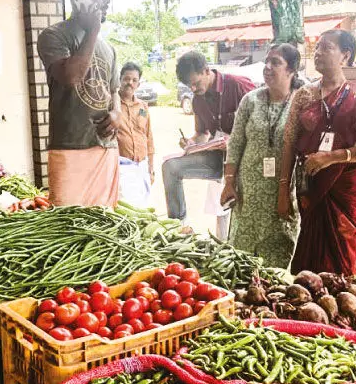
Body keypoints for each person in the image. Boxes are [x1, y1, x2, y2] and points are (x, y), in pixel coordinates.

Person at [278, 30, 356, 307]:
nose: (318, 52)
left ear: (346, 55)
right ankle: (313, 313)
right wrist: (282, 191)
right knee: (312, 267)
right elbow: (288, 143)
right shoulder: (304, 95)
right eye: (317, 47)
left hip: (349, 195)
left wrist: (332, 157)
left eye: (327, 47)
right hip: (313, 190)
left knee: (348, 265)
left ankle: (349, 313)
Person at [37, 0, 121, 207]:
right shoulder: (54, 36)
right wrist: (93, 29)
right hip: (71, 148)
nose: (106, 0)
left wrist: (117, 113)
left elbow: (113, 90)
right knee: (67, 226)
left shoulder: (109, 48)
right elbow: (71, 77)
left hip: (106, 148)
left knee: (105, 223)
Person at [220, 44, 303, 268]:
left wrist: (286, 192)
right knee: (242, 256)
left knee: (277, 253)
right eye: (267, 61)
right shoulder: (251, 100)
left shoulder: (302, 101)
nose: (267, 67)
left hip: (283, 190)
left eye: (275, 62)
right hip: (248, 189)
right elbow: (235, 143)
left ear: (291, 70)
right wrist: (229, 182)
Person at [162, 51, 255, 232]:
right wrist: (191, 142)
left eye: (196, 83)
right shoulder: (198, 100)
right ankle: (179, 227)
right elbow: (201, 133)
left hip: (246, 160)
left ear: (206, 71)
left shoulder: (237, 85)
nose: (194, 90)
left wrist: (237, 140)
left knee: (235, 213)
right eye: (190, 86)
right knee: (170, 167)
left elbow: (263, 119)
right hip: (219, 159)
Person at [116, 62, 155, 207]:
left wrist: (151, 169)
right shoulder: (111, 105)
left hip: (142, 167)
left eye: (134, 80)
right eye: (126, 79)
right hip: (122, 168)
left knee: (143, 208)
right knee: (127, 208)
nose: (130, 83)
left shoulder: (143, 107)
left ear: (138, 84)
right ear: (119, 80)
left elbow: (148, 137)